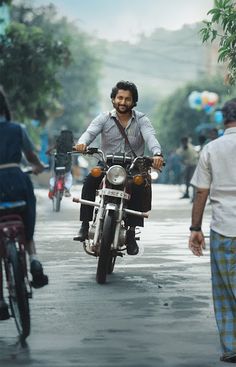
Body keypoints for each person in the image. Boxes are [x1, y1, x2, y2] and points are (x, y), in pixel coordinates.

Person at [73, 80, 164, 255]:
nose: (123, 102)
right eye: (119, 98)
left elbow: (150, 137)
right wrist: (82, 143)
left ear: (134, 101)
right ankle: (84, 226)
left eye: (127, 99)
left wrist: (157, 153)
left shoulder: (142, 120)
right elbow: (90, 132)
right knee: (91, 179)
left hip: (133, 165)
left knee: (138, 184)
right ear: (113, 99)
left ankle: (131, 233)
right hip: (107, 164)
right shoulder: (103, 118)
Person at [188, 98, 236, 363]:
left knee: (225, 290)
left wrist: (195, 228)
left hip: (224, 229)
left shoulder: (211, 149)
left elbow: (201, 191)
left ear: (223, 119)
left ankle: (232, 347)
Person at [0, 87, 48, 321]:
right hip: (17, 182)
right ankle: (34, 260)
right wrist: (38, 167)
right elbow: (31, 157)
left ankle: (0, 301)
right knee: (26, 222)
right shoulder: (18, 129)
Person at [48, 129, 74, 198]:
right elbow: (75, 149)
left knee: (55, 176)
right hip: (66, 165)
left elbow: (51, 149)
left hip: (58, 164)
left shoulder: (58, 143)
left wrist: (48, 152)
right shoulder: (71, 145)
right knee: (68, 176)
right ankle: (67, 189)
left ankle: (52, 187)